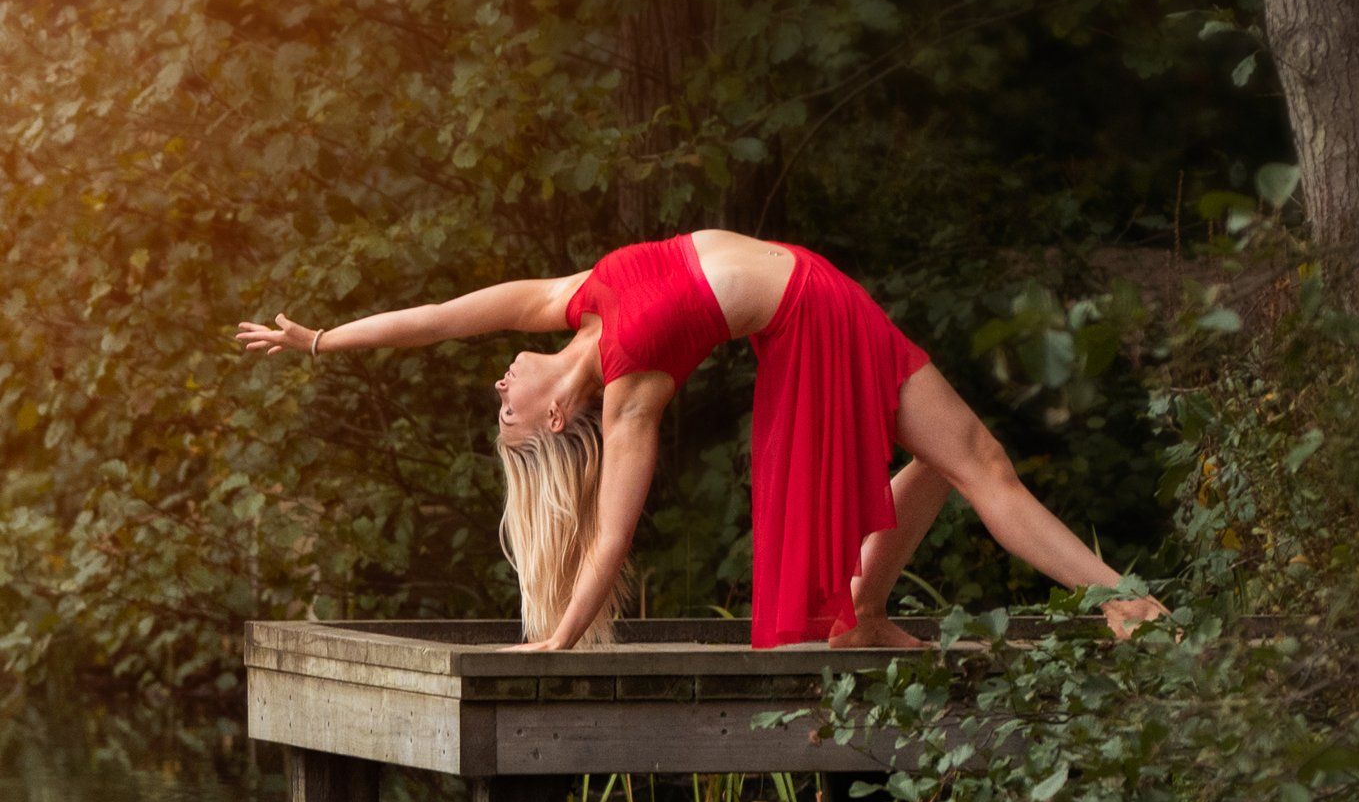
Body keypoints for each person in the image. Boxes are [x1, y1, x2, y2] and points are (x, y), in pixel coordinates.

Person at [237, 229, 1169, 651]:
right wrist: (559, 642)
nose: (497, 387)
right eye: (505, 414)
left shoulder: (575, 300)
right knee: (973, 460)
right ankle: (1126, 603)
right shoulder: (628, 392)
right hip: (808, 315)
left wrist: (318, 341)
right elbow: (609, 537)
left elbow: (439, 317)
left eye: (498, 401)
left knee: (967, 459)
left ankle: (866, 615)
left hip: (817, 292)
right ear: (556, 420)